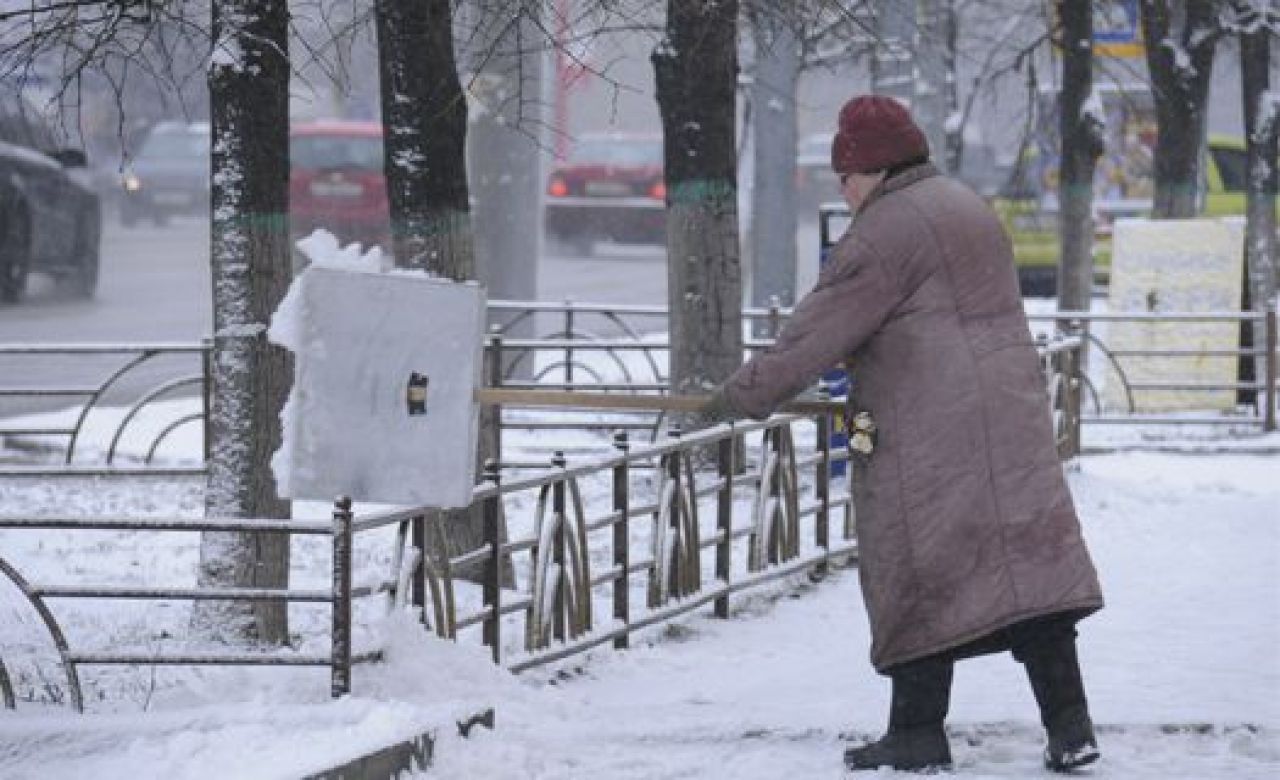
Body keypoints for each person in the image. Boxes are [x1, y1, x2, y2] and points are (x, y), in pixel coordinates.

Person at [705, 96, 1105, 773]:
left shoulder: (883, 233)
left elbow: (818, 331)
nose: (844, 190)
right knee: (1027, 575)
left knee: (919, 570)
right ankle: (1071, 727)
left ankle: (917, 732)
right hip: (1007, 422)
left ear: (874, 168)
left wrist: (742, 394)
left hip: (929, 434)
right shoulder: (964, 205)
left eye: (846, 175)